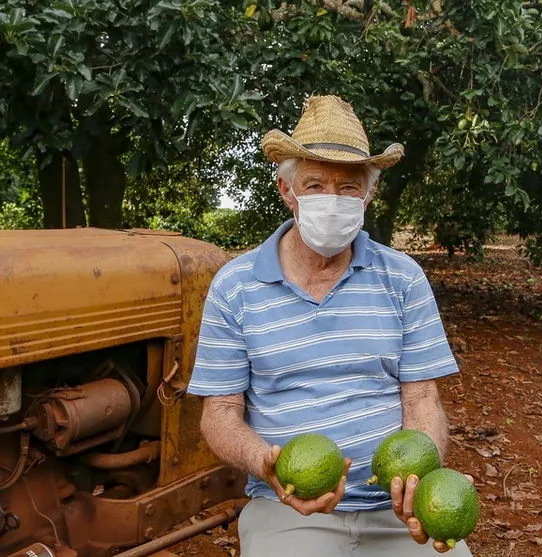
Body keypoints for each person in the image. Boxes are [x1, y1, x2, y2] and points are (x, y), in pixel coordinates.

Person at [186, 95, 471, 556]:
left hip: (395, 505)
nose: (332, 201)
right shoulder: (235, 286)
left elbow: (421, 397)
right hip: (288, 505)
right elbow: (219, 413)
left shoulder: (403, 278)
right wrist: (266, 463)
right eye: (315, 185)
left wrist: (419, 478)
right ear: (287, 190)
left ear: (370, 194)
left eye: (349, 187)